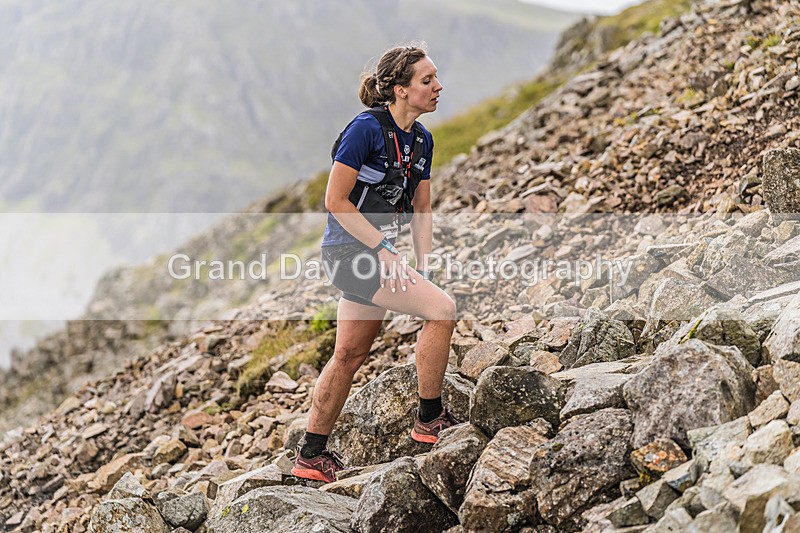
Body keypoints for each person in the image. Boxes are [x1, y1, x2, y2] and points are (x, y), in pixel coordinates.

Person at [291, 44, 459, 483]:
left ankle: (310, 456)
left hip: (379, 255)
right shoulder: (365, 129)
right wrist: (385, 252)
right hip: (349, 255)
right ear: (401, 90)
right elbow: (335, 200)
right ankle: (430, 420)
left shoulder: (422, 140)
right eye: (427, 80)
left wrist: (422, 266)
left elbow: (422, 209)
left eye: (436, 77)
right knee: (442, 312)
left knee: (348, 354)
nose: (438, 87)